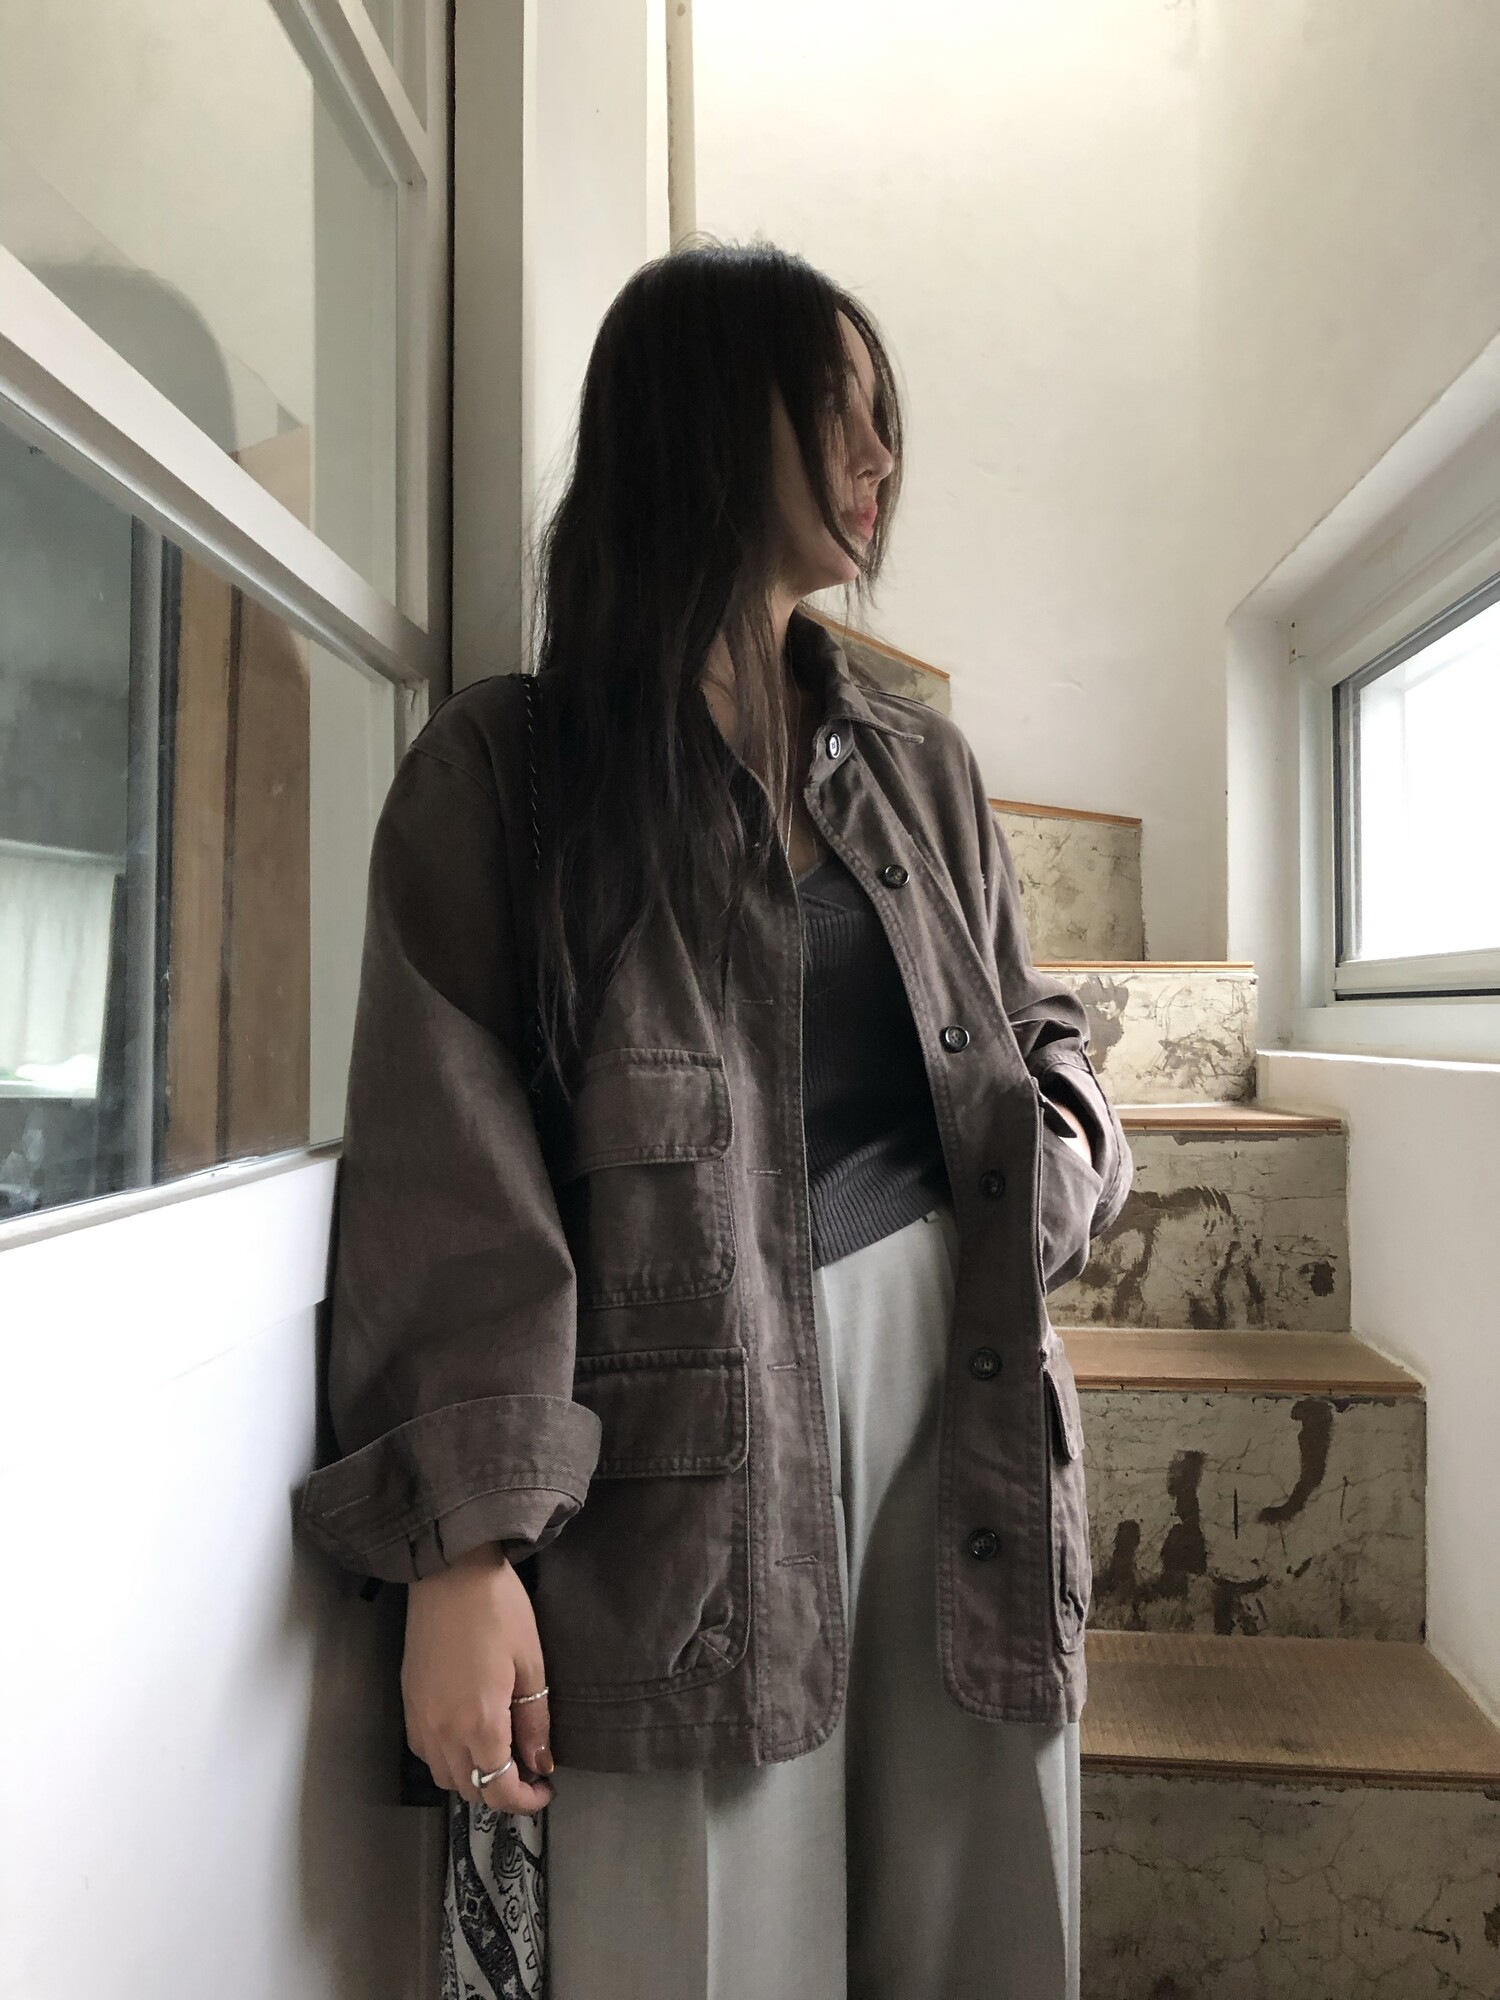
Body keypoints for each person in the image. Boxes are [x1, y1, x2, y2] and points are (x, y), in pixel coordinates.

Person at [297, 241, 1132, 2000]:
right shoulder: (510, 778)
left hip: (964, 1401)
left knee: (983, 1914)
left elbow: (1028, 1016)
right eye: (838, 408)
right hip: (672, 1469)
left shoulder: (920, 764)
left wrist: (1063, 1137)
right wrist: (463, 1549)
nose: (882, 456)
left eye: (886, 418)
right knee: (696, 1936)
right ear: (697, 418)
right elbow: (450, 1172)